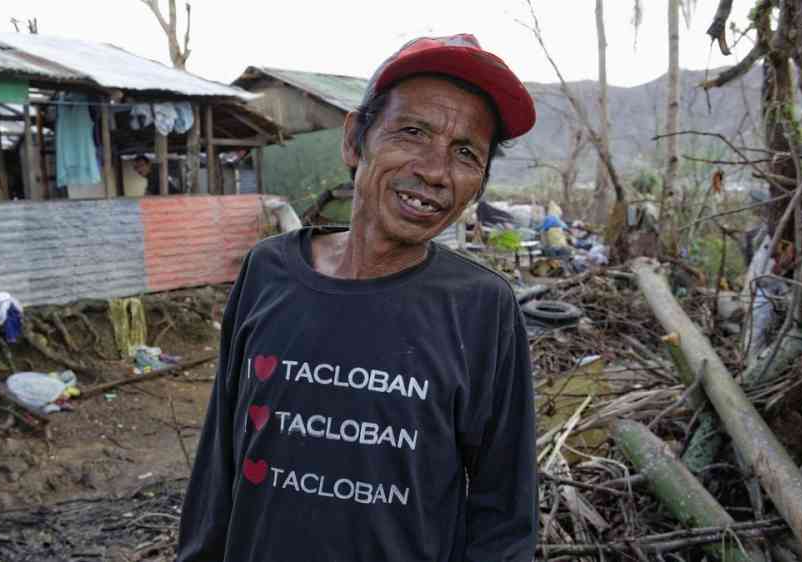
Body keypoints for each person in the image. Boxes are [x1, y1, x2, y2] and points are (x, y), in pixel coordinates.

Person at [176, 34, 538, 562]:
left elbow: (504, 516)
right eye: (413, 132)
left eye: (466, 153)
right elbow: (219, 465)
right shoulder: (269, 271)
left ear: (479, 182)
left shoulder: (482, 308)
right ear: (354, 140)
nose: (435, 171)